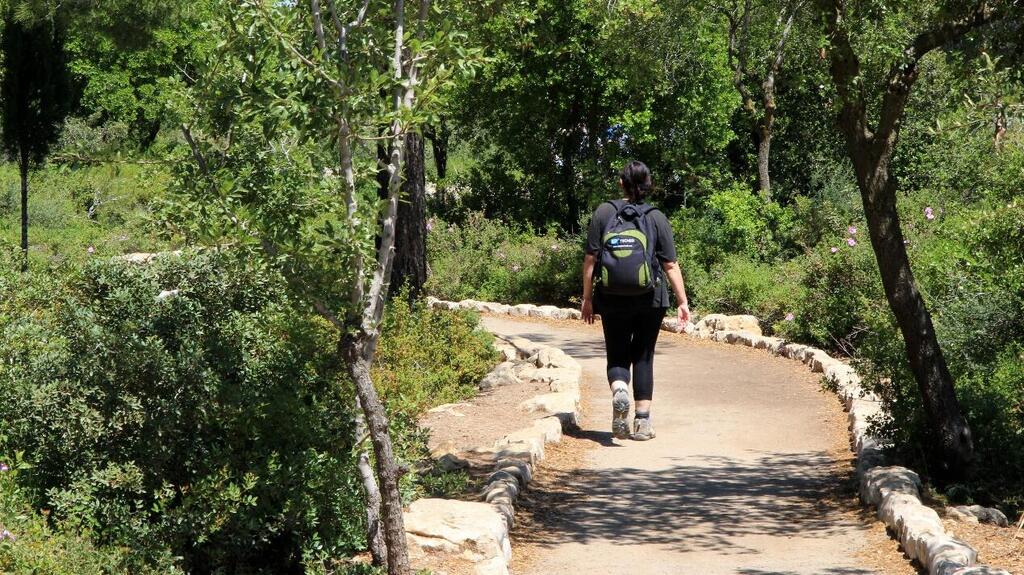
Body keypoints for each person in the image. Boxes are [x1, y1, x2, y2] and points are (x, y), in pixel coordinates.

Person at [581, 160, 690, 441]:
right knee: (643, 355)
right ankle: (642, 422)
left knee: (617, 352)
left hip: (611, 296)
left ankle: (619, 389)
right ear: (648, 185)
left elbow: (591, 260)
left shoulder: (604, 212)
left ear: (621, 184)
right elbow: (670, 265)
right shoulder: (656, 217)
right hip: (650, 298)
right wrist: (682, 301)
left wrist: (587, 299)